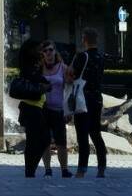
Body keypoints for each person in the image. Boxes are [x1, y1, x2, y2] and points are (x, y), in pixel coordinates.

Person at [71, 27, 107, 178]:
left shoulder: (81, 56)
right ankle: (101, 167)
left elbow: (72, 75)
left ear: (84, 39)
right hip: (97, 98)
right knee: (96, 133)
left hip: (83, 99)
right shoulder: (101, 57)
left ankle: (81, 169)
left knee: (82, 135)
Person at [17, 39, 52, 178]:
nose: (42, 51)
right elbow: (36, 80)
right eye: (39, 49)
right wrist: (45, 85)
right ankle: (30, 169)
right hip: (31, 108)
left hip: (35, 107)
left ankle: (30, 169)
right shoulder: (29, 67)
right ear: (32, 51)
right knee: (42, 139)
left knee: (36, 140)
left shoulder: (32, 65)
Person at [40, 40, 73, 178]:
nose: (48, 53)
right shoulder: (40, 68)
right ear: (42, 53)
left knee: (61, 142)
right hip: (43, 110)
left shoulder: (63, 67)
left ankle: (64, 169)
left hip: (59, 110)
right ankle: (47, 169)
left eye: (51, 50)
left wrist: (68, 110)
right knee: (45, 141)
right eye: (45, 50)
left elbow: (69, 89)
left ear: (55, 51)